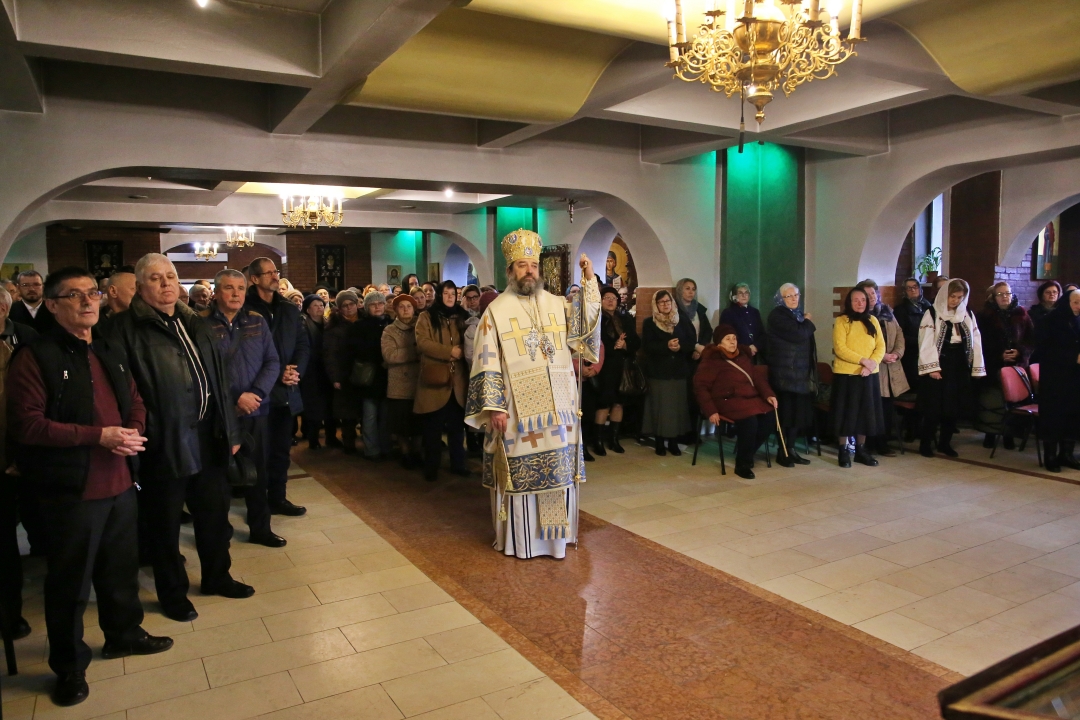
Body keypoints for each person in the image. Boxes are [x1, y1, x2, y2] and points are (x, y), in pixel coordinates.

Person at [9, 267, 173, 706]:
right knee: (70, 585)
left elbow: (134, 398)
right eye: (74, 295)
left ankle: (123, 634)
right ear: (52, 304)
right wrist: (98, 436)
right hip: (71, 491)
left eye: (92, 293)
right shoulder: (35, 355)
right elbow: (29, 426)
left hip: (120, 482)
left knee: (121, 571)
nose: (87, 302)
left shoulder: (107, 348)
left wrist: (134, 429)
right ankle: (68, 666)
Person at [101, 253, 251, 623]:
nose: (167, 284)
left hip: (208, 434)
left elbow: (218, 380)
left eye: (171, 276)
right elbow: (123, 393)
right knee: (164, 526)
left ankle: (217, 576)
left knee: (214, 516)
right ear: (139, 287)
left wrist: (230, 430)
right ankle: (173, 593)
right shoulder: (122, 328)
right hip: (163, 439)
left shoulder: (193, 321)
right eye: (156, 278)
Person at [464, 230, 600, 559]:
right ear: (510, 271)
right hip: (516, 412)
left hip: (560, 412)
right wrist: (494, 406)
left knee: (556, 473)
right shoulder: (495, 311)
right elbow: (486, 360)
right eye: (522, 265)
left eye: (533, 266)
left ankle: (556, 542)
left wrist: (590, 283)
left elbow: (584, 331)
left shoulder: (556, 304)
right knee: (522, 479)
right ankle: (521, 542)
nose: (529, 271)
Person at [202, 270, 284, 548]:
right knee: (219, 477)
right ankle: (220, 531)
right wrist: (235, 398)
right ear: (216, 292)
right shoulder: (200, 325)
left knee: (257, 473)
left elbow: (272, 362)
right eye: (228, 288)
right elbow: (202, 370)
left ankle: (261, 528)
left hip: (256, 410)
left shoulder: (257, 322)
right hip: (220, 414)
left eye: (240, 288)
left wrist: (256, 393)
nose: (236, 293)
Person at [244, 258, 310, 516]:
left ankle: (278, 498)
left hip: (285, 392)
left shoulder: (288, 308)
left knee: (281, 450)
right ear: (255, 279)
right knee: (258, 453)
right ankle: (257, 505)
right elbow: (246, 353)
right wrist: (276, 372)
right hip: (258, 392)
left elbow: (303, 344)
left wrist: (296, 371)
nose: (275, 276)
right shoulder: (245, 309)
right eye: (269, 273)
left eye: (276, 272)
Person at [694, 325, 779, 479]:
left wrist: (768, 395)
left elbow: (756, 378)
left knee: (769, 417)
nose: (732, 342)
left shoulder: (742, 356)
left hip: (748, 399)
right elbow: (701, 387)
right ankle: (743, 464)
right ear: (719, 343)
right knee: (750, 422)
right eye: (728, 339)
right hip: (727, 400)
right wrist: (710, 410)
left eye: (734, 338)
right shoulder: (712, 360)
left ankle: (748, 451)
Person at [917, 278, 986, 458]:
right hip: (940, 363)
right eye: (952, 296)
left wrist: (977, 367)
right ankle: (925, 443)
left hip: (959, 363)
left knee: (952, 407)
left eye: (959, 297)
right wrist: (932, 368)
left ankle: (945, 443)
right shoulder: (932, 313)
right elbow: (926, 342)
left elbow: (976, 340)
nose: (955, 301)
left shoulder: (967, 313)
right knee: (934, 408)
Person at [415, 280, 470, 481]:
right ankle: (431, 467)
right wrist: (449, 352)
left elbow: (470, 340)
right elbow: (423, 343)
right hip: (435, 380)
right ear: (439, 295)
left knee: (457, 428)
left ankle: (458, 464)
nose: (449, 297)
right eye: (446, 293)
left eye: (453, 294)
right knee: (433, 429)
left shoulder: (462, 317)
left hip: (458, 382)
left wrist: (464, 351)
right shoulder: (427, 316)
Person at [975, 281, 1035, 449]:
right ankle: (990, 434)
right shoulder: (984, 316)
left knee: (1014, 401)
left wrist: (1020, 352)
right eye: (1000, 294)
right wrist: (998, 354)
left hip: (1016, 365)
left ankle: (1009, 434)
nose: (1005, 297)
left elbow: (1030, 339)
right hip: (993, 364)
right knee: (993, 400)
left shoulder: (1022, 314)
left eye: (1007, 293)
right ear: (993, 297)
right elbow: (980, 342)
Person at [831, 287, 886, 468]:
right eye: (856, 300)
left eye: (863, 300)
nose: (860, 303)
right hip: (847, 374)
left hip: (868, 374)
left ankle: (861, 450)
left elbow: (880, 347)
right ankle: (843, 450)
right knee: (846, 413)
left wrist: (871, 365)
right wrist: (863, 361)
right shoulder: (842, 321)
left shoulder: (873, 320)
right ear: (849, 302)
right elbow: (840, 348)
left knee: (865, 414)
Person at [856, 279, 909, 457]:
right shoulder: (859, 317)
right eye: (867, 295)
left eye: (873, 294)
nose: (871, 298)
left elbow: (899, 333)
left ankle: (884, 442)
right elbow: (860, 344)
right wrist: (882, 356)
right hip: (872, 367)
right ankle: (870, 443)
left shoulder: (888, 312)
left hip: (891, 367)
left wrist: (897, 353)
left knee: (886, 407)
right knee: (872, 407)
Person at [641, 289, 695, 456]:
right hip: (659, 373)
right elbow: (647, 346)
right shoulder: (649, 323)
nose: (665, 305)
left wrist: (680, 347)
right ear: (656, 305)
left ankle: (673, 443)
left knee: (676, 410)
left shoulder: (682, 320)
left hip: (678, 371)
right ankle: (659, 442)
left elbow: (691, 341)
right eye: (661, 302)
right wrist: (666, 346)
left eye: (668, 301)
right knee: (659, 409)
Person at [766, 283, 815, 466]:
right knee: (785, 415)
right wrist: (808, 321)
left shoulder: (797, 315)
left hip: (800, 375)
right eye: (789, 296)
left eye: (796, 295)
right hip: (784, 375)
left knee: (797, 415)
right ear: (781, 299)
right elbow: (798, 335)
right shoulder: (778, 315)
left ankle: (792, 449)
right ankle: (782, 451)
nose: (794, 298)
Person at [591, 285, 640, 457]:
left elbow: (636, 341)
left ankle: (614, 439)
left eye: (613, 298)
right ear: (601, 301)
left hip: (623, 366)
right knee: (604, 403)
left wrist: (625, 345)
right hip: (605, 366)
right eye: (607, 298)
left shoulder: (625, 319)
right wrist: (614, 346)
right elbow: (594, 345)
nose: (611, 301)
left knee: (619, 403)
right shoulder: (596, 320)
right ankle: (598, 441)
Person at [1037, 288, 1080, 472]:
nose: (1079, 307)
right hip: (1054, 379)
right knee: (1054, 417)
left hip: (1075, 378)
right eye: (1076, 302)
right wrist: (1073, 357)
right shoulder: (1050, 320)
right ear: (1066, 302)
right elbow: (1044, 350)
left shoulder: (1078, 320)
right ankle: (1051, 456)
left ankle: (1067, 454)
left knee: (1073, 415)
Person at [382, 293, 422, 467]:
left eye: (409, 306)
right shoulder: (389, 330)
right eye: (401, 306)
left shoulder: (421, 327)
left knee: (418, 423)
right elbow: (391, 355)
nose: (406, 309)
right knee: (401, 424)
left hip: (420, 382)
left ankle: (417, 452)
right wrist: (417, 353)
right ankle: (405, 453)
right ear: (396, 310)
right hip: (399, 385)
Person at [324, 290, 362, 454]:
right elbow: (330, 355)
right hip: (345, 373)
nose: (349, 308)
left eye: (351, 304)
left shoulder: (363, 321)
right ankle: (349, 443)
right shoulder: (334, 328)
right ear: (339, 309)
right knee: (348, 412)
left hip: (362, 372)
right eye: (344, 306)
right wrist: (335, 377)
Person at [356, 291, 391, 460]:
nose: (377, 307)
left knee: (385, 416)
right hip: (369, 377)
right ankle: (371, 449)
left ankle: (385, 447)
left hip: (387, 377)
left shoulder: (390, 324)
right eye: (373, 304)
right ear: (366, 307)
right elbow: (357, 351)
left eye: (380, 304)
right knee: (369, 416)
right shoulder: (360, 326)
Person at [299, 294, 333, 450]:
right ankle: (313, 439)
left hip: (327, 370)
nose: (319, 308)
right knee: (314, 407)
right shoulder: (304, 325)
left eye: (321, 305)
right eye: (315, 305)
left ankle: (331, 437)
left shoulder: (328, 324)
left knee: (329, 406)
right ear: (307, 309)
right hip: (312, 371)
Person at [894, 277, 932, 392]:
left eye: (915, 287)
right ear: (905, 291)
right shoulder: (900, 310)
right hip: (911, 352)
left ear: (920, 289)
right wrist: (919, 342)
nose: (912, 290)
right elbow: (900, 334)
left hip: (929, 350)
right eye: (909, 288)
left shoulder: (929, 307)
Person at [720, 282, 766, 362]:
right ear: (734, 296)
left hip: (753, 354)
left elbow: (762, 333)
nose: (744, 295)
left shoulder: (755, 312)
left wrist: (755, 346)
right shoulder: (728, 312)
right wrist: (746, 349)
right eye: (740, 293)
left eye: (746, 293)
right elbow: (725, 335)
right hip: (736, 354)